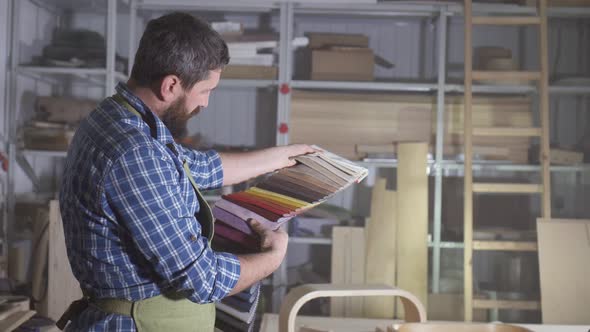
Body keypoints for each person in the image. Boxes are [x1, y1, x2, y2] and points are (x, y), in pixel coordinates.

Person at [58, 12, 313, 331]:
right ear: (171, 85)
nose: (205, 103)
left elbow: (197, 167)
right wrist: (271, 259)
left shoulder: (119, 120)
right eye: (205, 91)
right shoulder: (136, 152)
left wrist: (280, 157)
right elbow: (202, 279)